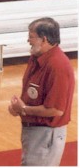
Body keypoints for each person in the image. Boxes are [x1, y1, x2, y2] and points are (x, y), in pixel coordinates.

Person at [7, 17, 74, 166]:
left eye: (31, 37)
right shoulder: (36, 57)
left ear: (44, 39)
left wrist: (23, 109)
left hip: (46, 134)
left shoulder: (58, 66)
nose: (28, 40)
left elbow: (56, 110)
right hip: (34, 133)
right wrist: (18, 108)